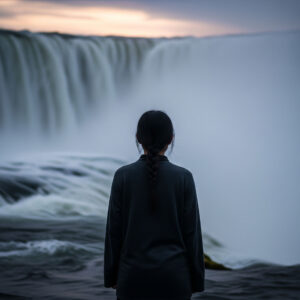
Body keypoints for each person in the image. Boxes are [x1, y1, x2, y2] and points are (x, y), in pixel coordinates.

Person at [104, 110, 205, 300]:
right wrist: (197, 280)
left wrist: (111, 276)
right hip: (174, 279)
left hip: (132, 279)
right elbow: (192, 235)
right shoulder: (183, 178)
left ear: (138, 138)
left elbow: (113, 233)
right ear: (171, 139)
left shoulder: (122, 176)